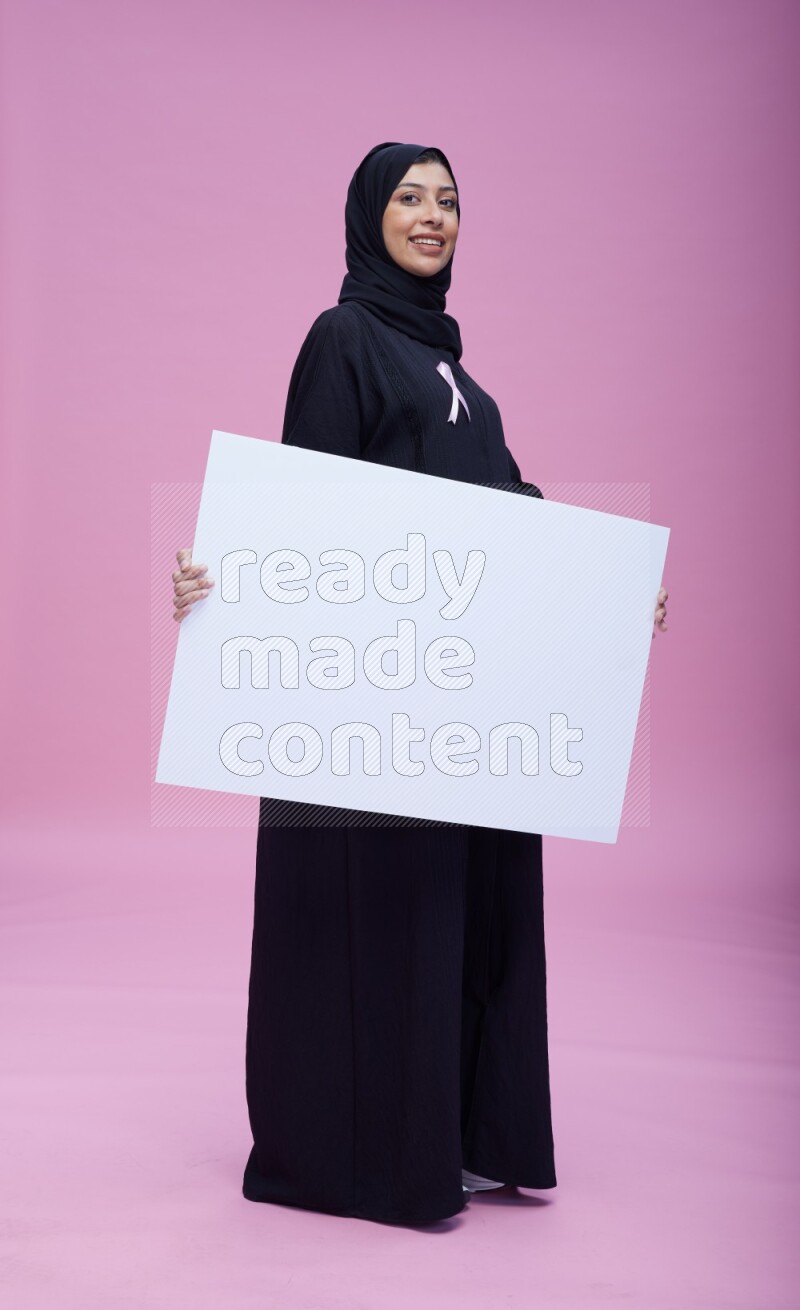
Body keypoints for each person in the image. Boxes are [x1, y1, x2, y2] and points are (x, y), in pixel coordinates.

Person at [172, 142, 670, 1225]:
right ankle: (356, 1155)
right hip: (370, 705)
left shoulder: (464, 382)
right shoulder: (343, 339)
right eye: (410, 197)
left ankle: (449, 1135)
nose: (432, 215)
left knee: (461, 908)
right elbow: (305, 507)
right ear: (368, 215)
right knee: (375, 914)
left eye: (448, 200)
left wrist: (611, 597)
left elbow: (512, 519)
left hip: (461, 709)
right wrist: (227, 582)